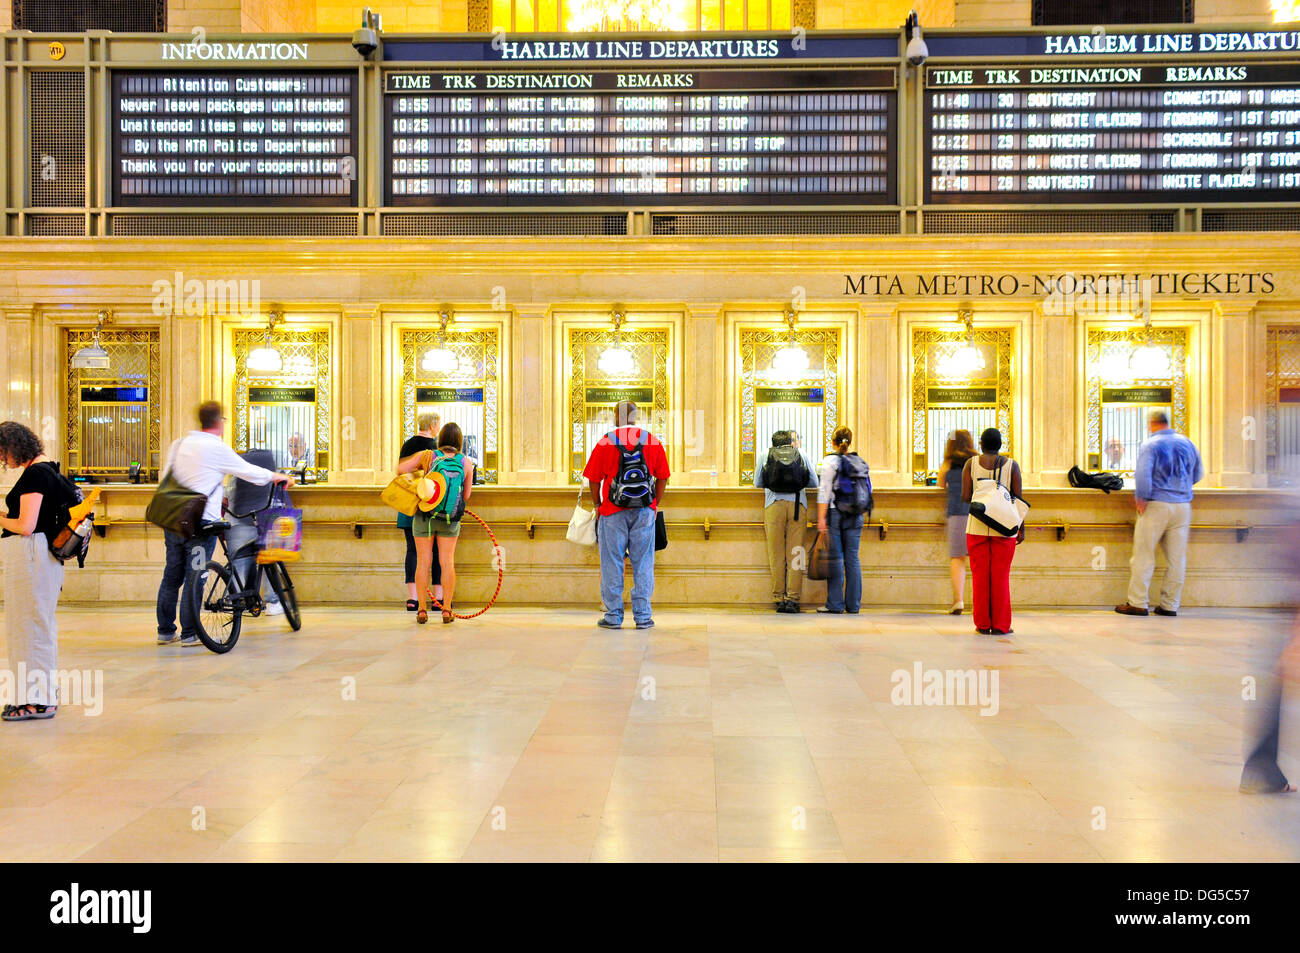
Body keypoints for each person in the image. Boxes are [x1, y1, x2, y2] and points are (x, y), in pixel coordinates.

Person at [155, 401, 292, 647]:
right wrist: (276, 476)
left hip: (173, 519)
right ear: (219, 423)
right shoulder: (214, 447)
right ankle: (189, 633)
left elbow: (167, 477)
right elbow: (247, 471)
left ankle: (165, 630)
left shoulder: (180, 444)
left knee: (171, 574)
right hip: (199, 524)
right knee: (196, 574)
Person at [0, 422, 71, 721]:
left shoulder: (35, 474)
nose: (4, 461)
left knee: (31, 627)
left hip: (32, 556)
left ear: (14, 446)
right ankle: (34, 696)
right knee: (34, 626)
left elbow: (26, 526)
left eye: (3, 453)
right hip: (40, 557)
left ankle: (38, 701)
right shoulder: (48, 469)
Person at [583, 400, 670, 630]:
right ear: (636, 417)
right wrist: (654, 503)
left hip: (612, 512)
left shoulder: (605, 442)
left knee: (612, 562)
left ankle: (613, 616)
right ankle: (642, 616)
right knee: (644, 562)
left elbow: (593, 479)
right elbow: (663, 476)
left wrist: (598, 505)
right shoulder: (651, 440)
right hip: (644, 511)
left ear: (614, 417)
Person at [1115, 410, 1204, 617]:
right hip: (1183, 506)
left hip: (1156, 504)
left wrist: (1141, 497)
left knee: (1143, 555)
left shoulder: (1151, 445)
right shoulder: (1187, 443)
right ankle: (1170, 605)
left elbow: (1143, 474)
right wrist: (1181, 488)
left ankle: (1138, 602)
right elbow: (1198, 473)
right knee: (1177, 559)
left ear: (1152, 424)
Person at [396, 422, 472, 624]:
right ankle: (446, 609)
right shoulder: (465, 462)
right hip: (449, 520)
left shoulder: (428, 456)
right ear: (459, 440)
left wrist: (419, 480)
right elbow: (466, 495)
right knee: (447, 563)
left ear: (440, 438)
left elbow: (399, 469)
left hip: (424, 517)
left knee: (423, 562)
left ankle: (421, 609)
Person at [962, 427, 1024, 635]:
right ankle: (1000, 625)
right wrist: (1021, 528)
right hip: (1005, 528)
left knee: (980, 578)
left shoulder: (970, 464)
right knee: (1000, 577)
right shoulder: (1012, 466)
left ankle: (982, 624)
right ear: (1000, 445)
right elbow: (1018, 498)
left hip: (977, 527)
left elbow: (965, 496)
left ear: (981, 444)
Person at [754, 429, 818, 613]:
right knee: (796, 553)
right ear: (791, 443)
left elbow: (758, 483)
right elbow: (813, 482)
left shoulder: (765, 454)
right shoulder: (802, 454)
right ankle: (793, 599)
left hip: (773, 505)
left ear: (773, 443)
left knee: (776, 554)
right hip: (798, 506)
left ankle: (778, 598)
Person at [224, 448, 286, 617]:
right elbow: (282, 499)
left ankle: (237, 600)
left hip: (236, 522)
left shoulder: (237, 476)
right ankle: (273, 601)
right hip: (265, 520)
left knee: (240, 563)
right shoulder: (270, 476)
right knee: (269, 559)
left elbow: (228, 496)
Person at [817, 426, 867, 614]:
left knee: (837, 559)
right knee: (853, 559)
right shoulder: (858, 461)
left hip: (836, 513)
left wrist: (821, 518)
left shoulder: (830, 461)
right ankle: (853, 605)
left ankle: (835, 604)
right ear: (850, 442)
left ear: (832, 442)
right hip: (855, 514)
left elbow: (824, 492)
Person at [397, 412, 441, 611]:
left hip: (409, 503)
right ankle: (438, 598)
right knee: (437, 551)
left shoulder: (407, 445)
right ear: (432, 426)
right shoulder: (436, 448)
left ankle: (413, 598)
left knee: (412, 551)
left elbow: (399, 471)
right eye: (438, 424)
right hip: (431, 505)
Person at [939, 429, 976, 615]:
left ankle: (958, 601)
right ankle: (980, 601)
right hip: (976, 514)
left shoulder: (949, 462)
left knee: (957, 558)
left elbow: (939, 483)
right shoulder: (976, 461)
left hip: (956, 512)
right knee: (978, 560)